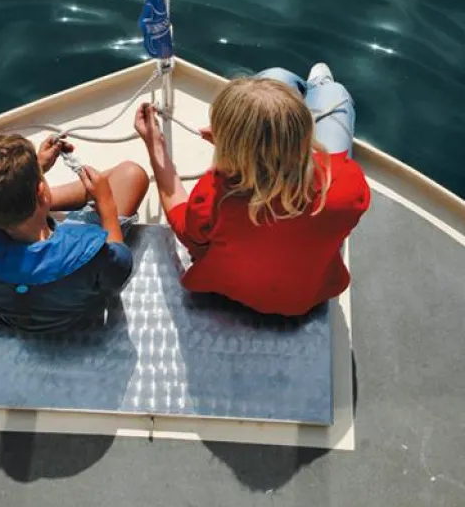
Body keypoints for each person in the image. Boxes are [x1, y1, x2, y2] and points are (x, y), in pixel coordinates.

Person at [134, 63, 370, 317]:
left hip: (232, 293)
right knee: (332, 93)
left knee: (275, 76)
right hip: (303, 300)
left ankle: (300, 88)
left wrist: (155, 146)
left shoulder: (215, 195)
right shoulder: (346, 184)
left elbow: (183, 223)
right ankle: (319, 87)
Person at [0, 123, 148, 333]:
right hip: (76, 318)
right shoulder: (89, 249)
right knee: (132, 174)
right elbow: (120, 262)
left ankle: (15, 196)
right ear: (42, 192)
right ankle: (25, 197)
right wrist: (105, 204)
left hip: (8, 315)